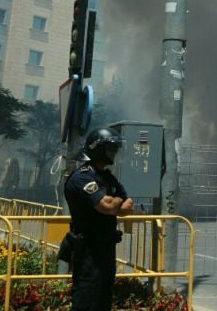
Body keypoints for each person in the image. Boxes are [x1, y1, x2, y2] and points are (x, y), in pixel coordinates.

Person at [64, 128, 134, 311]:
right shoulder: (82, 177)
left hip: (106, 248)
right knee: (87, 299)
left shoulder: (107, 177)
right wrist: (115, 203)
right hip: (88, 250)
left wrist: (114, 203)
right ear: (98, 149)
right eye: (111, 149)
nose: (114, 153)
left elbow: (128, 206)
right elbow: (107, 206)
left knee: (104, 298)